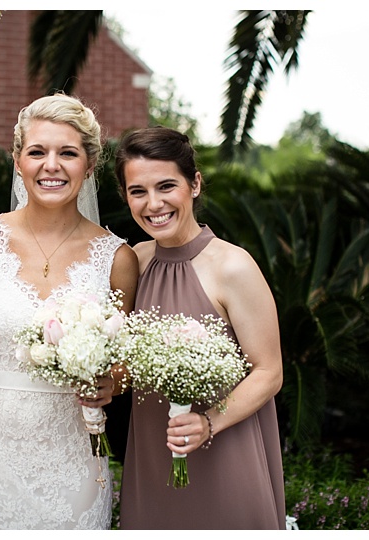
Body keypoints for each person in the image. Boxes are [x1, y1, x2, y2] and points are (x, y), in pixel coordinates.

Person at [0, 93, 139, 529]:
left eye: (68, 153)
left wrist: (110, 383)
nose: (51, 165)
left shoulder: (117, 259)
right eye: (37, 151)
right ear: (18, 161)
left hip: (73, 449)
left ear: (89, 165)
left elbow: (125, 364)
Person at [114, 126, 285, 529]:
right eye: (138, 191)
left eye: (166, 186)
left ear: (194, 184)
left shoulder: (233, 266)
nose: (153, 203)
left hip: (224, 449)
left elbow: (269, 371)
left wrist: (210, 421)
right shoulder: (134, 261)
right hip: (153, 453)